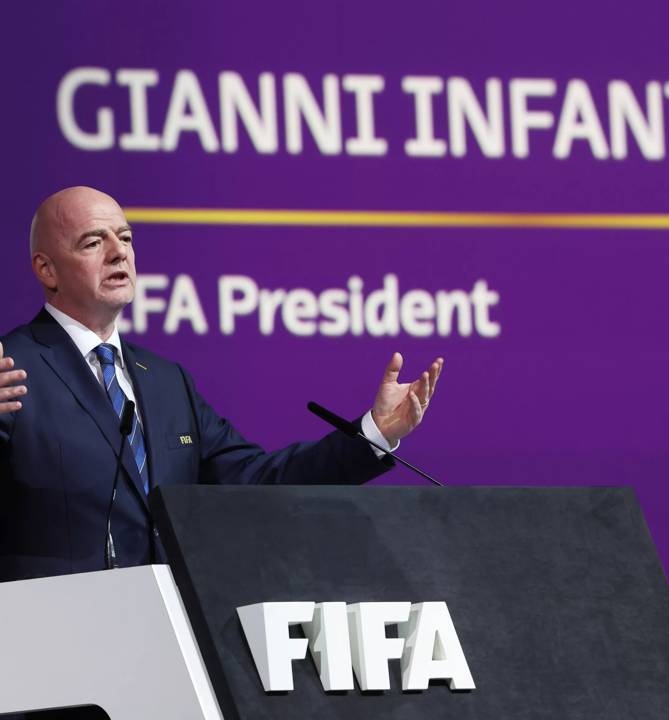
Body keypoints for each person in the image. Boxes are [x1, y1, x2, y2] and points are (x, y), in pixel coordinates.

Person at [0, 186, 443, 584]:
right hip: (52, 638)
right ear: (47, 269)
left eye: (126, 238)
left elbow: (255, 481)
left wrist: (374, 433)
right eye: (94, 242)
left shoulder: (167, 382)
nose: (119, 253)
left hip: (166, 630)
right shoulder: (11, 368)